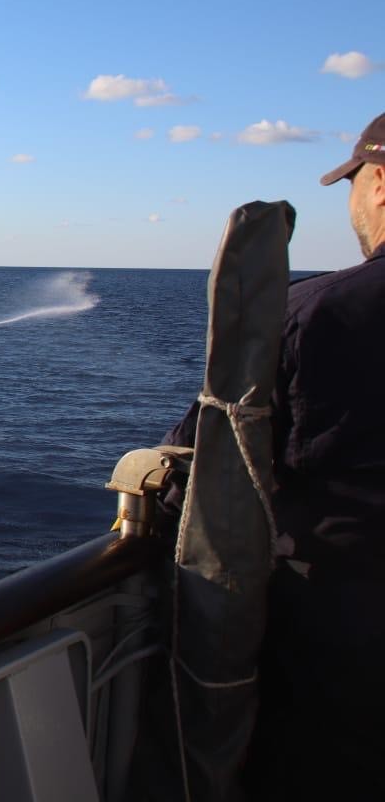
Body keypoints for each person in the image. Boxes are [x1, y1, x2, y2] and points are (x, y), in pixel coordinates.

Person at [164, 111, 385, 800]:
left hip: (346, 648)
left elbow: (203, 464)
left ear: (379, 183)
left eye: (351, 182)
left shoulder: (314, 313)